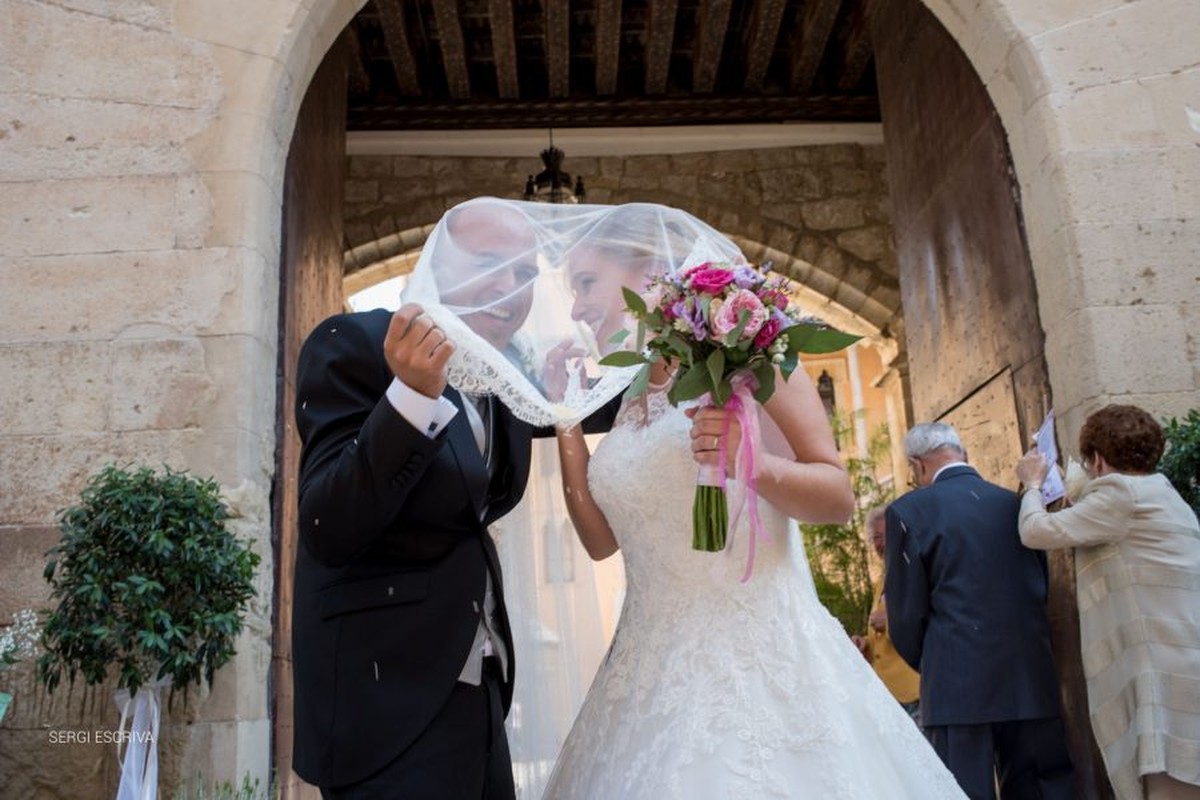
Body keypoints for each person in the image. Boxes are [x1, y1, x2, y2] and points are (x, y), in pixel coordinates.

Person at [540, 207, 970, 799]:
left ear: (653, 270)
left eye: (586, 283)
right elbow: (599, 541)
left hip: (757, 657)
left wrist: (755, 462)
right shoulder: (636, 391)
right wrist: (566, 418)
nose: (576, 309)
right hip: (645, 674)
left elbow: (837, 497)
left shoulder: (749, 360)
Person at [290, 198, 616, 799]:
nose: (510, 287)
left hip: (479, 689)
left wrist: (703, 348)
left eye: (523, 273)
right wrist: (410, 397)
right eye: (490, 262)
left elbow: (620, 406)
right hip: (383, 700)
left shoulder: (503, 380)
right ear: (438, 265)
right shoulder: (353, 342)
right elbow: (327, 523)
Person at [1015, 404, 1200, 800]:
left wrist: (1032, 483)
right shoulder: (1162, 492)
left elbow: (1035, 531)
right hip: (1182, 665)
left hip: (1159, 680)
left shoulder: (1119, 496)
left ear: (1098, 458)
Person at [885, 422, 1075, 800]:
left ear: (917, 465)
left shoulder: (908, 510)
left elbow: (906, 613)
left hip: (956, 686)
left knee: (960, 790)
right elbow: (1039, 584)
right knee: (1041, 787)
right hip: (1028, 676)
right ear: (962, 453)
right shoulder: (1016, 504)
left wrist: (935, 661)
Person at [851, 505, 921, 721]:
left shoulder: (915, 572)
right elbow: (879, 631)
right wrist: (865, 644)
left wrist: (889, 624)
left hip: (913, 692)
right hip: (887, 694)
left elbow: (923, 623)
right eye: (875, 538)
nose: (880, 544)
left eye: (884, 536)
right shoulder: (883, 578)